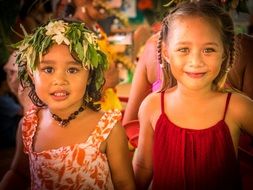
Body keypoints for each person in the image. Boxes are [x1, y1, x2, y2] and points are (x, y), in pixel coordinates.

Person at [0, 19, 135, 190]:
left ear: (90, 76)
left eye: (72, 70)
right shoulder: (28, 127)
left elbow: (124, 184)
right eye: (48, 69)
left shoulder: (108, 129)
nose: (59, 80)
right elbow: (19, 173)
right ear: (31, 74)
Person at [133, 1, 253, 189]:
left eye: (208, 50)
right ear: (166, 52)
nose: (196, 62)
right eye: (184, 49)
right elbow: (142, 167)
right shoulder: (152, 106)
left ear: (225, 53)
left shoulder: (238, 107)